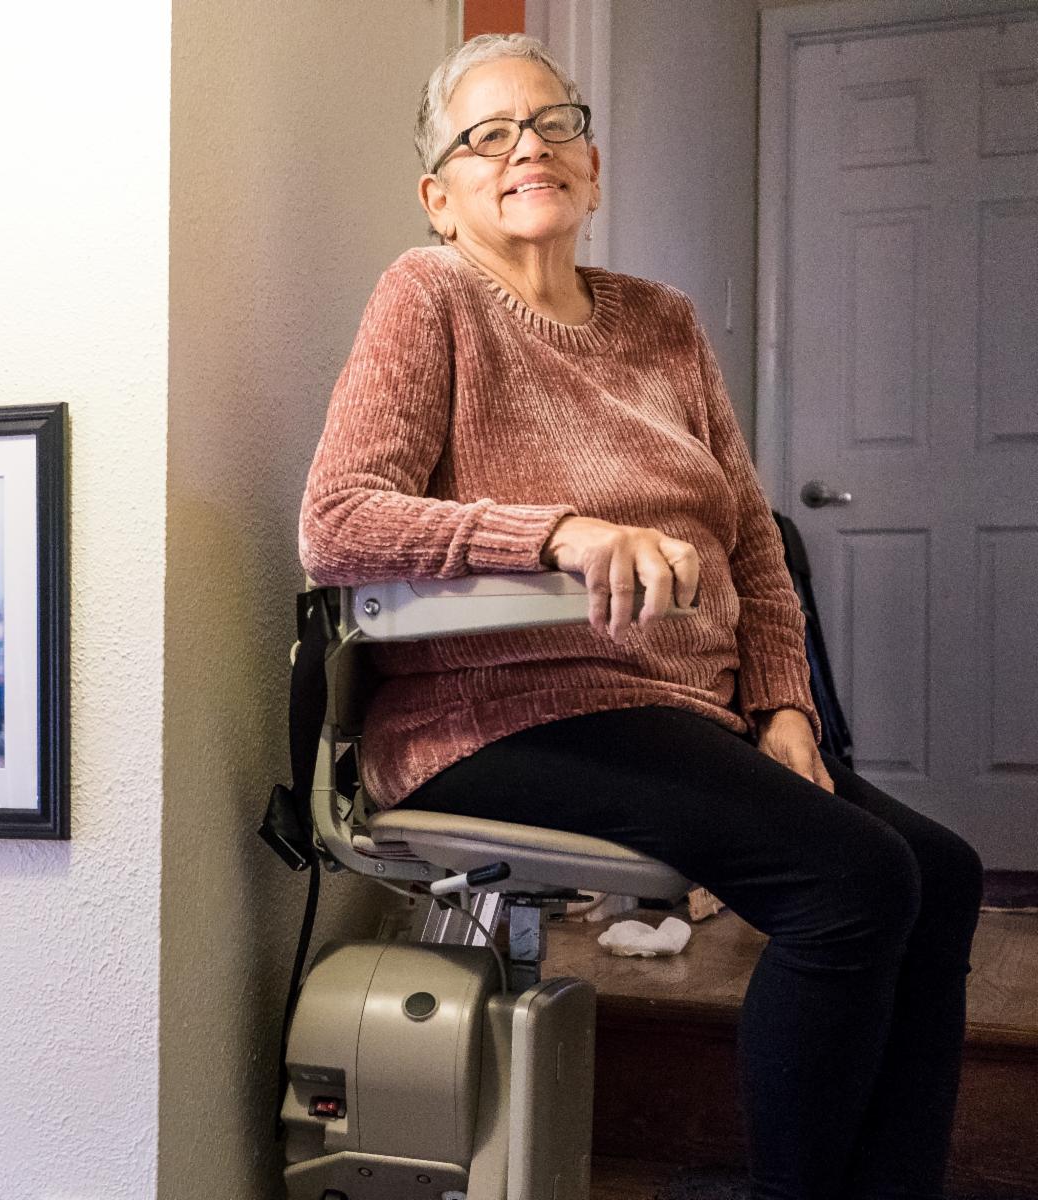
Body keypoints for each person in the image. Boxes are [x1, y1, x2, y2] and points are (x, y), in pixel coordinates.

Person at [298, 33, 982, 1200]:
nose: (529, 148)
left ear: (594, 165)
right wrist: (556, 531)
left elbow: (751, 543)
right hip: (501, 712)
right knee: (851, 880)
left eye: (555, 124)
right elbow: (338, 520)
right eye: (489, 134)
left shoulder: (662, 320)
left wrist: (784, 707)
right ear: (439, 195)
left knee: (940, 870)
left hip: (684, 710)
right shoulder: (431, 295)